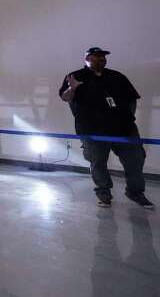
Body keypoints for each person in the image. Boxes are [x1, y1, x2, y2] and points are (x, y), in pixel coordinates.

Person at [59, 47, 152, 209]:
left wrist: (130, 121)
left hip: (124, 130)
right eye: (97, 56)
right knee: (98, 163)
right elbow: (65, 97)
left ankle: (135, 192)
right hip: (93, 132)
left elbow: (132, 100)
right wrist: (72, 88)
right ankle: (104, 194)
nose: (102, 59)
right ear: (87, 58)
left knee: (135, 160)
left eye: (103, 56)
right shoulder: (75, 76)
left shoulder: (117, 76)